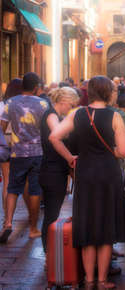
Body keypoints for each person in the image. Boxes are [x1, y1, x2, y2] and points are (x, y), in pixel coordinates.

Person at [49, 76, 125, 289]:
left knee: (86, 225)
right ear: (108, 93)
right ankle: (102, 280)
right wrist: (110, 150)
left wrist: (69, 157)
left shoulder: (77, 114)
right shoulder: (115, 116)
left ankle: (88, 280)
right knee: (104, 228)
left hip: (84, 173)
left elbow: (54, 137)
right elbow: (123, 151)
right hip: (107, 175)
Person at [0, 72, 48, 242]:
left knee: (13, 188)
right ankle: (34, 228)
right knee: (35, 190)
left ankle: (7, 223)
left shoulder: (10, 103)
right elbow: (48, 128)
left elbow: (2, 125)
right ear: (36, 87)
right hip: (37, 153)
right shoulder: (43, 104)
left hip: (17, 152)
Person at [39, 86, 80, 253]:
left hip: (54, 170)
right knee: (51, 215)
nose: (70, 109)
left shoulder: (54, 115)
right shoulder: (51, 115)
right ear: (63, 102)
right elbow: (56, 136)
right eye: (71, 105)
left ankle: (49, 253)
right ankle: (48, 254)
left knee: (51, 213)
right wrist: (70, 157)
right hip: (52, 171)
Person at [0, 79, 23, 229]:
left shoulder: (1, 105)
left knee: (6, 179)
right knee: (12, 180)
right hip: (15, 144)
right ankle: (8, 218)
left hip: (3, 143)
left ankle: (6, 218)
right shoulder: (19, 105)